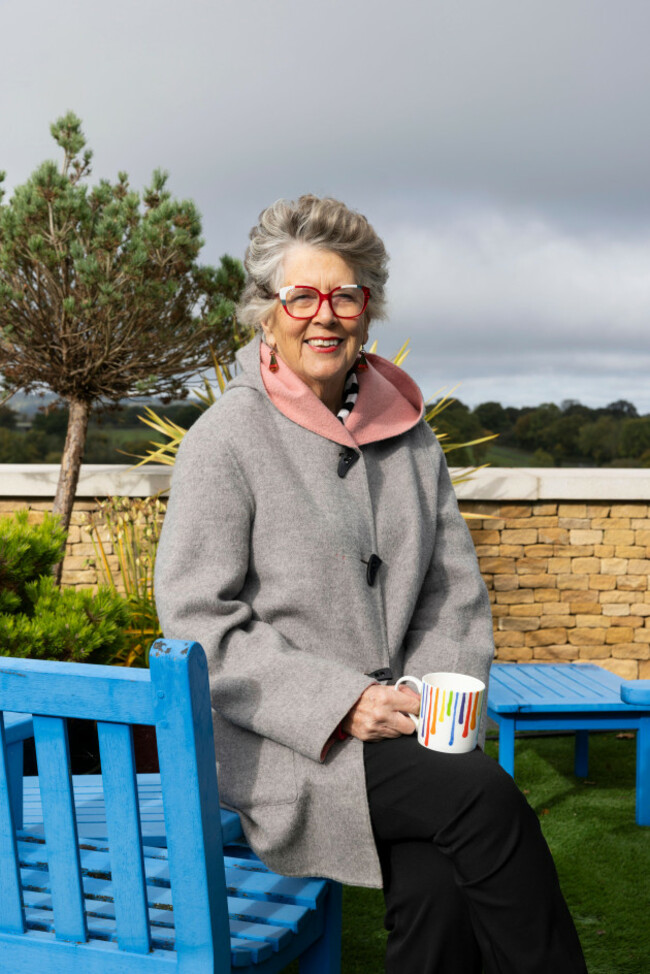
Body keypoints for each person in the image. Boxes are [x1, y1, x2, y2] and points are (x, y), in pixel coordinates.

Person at [154, 194, 588, 973]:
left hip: (412, 729)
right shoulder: (225, 441)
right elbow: (198, 620)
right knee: (482, 800)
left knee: (437, 885)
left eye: (344, 295)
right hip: (285, 745)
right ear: (267, 312)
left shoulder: (411, 436)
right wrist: (343, 702)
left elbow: (452, 590)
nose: (325, 316)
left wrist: (428, 692)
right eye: (301, 296)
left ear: (367, 308)